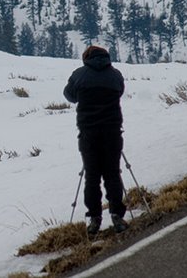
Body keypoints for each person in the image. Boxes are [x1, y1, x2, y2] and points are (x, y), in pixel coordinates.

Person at [63, 45, 128, 240]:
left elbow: (69, 95)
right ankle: (117, 215)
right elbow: (120, 91)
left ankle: (94, 218)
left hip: (89, 133)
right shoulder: (115, 75)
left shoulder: (79, 75)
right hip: (112, 131)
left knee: (92, 176)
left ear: (86, 58)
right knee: (112, 173)